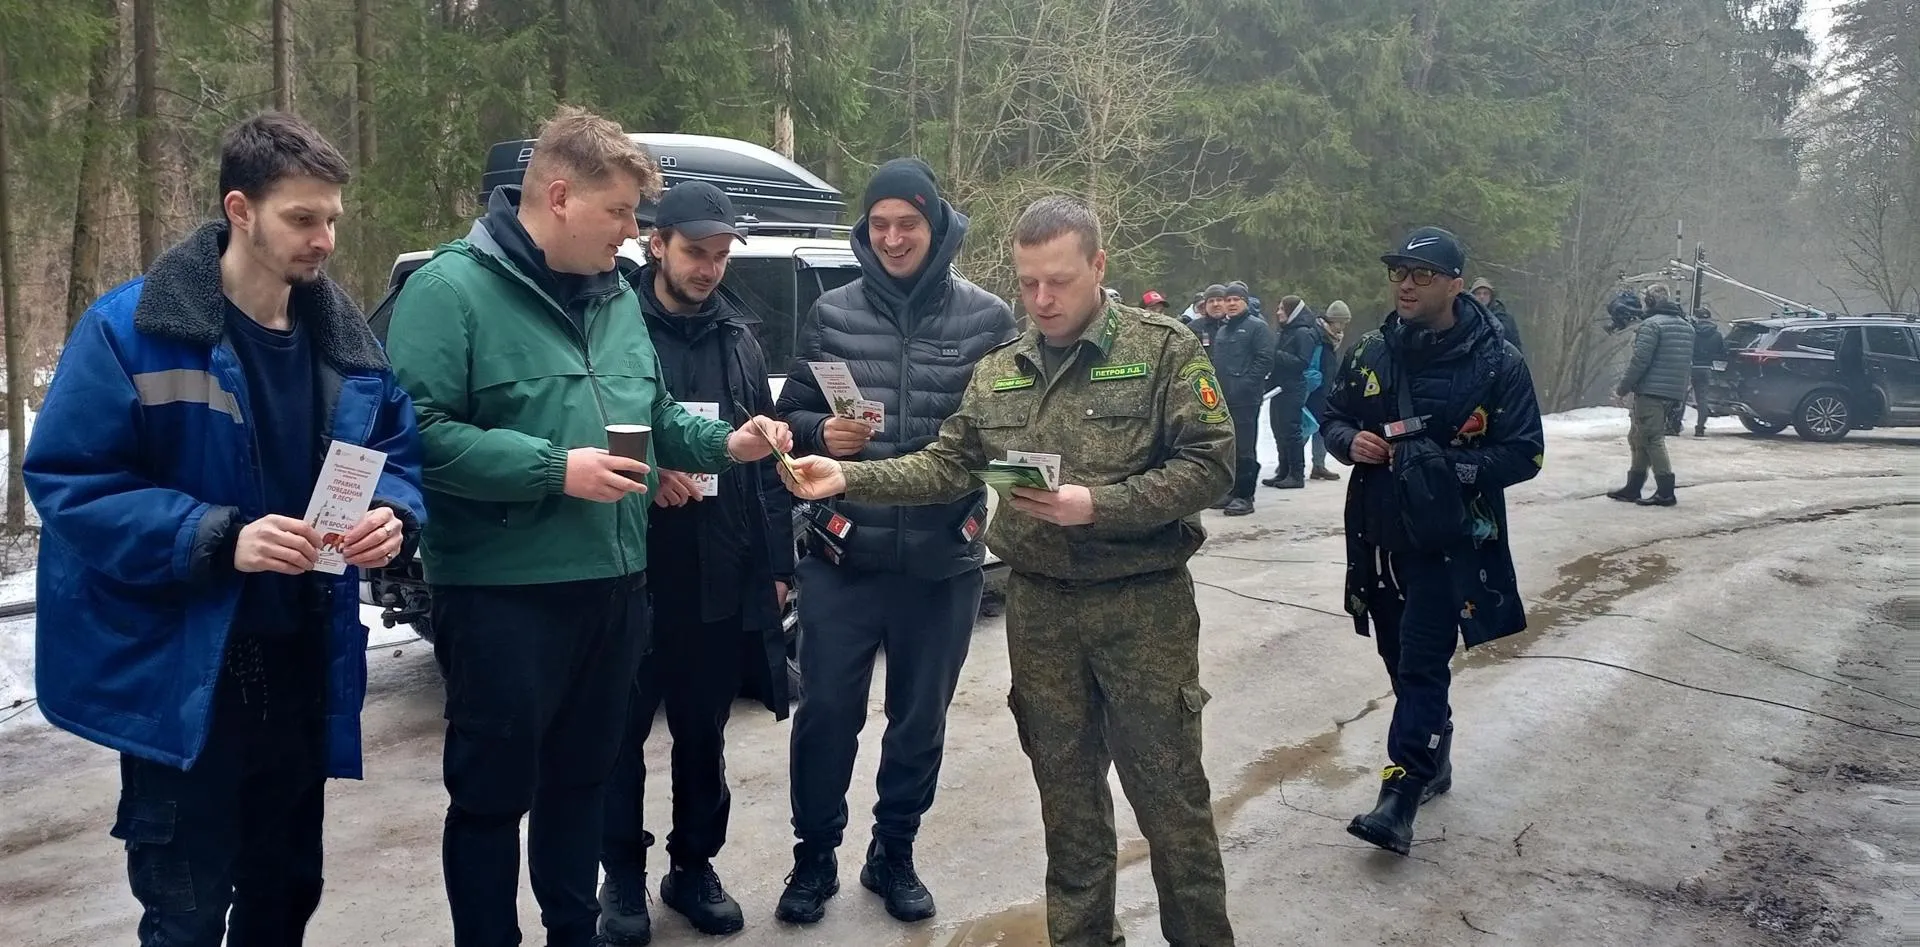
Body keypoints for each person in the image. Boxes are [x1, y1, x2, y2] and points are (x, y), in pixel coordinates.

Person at [384, 106, 792, 947]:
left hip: (615, 588)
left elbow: (657, 415)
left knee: (581, 784)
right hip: (503, 596)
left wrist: (732, 441)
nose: (633, 235)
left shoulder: (613, 300)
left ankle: (576, 931)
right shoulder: (448, 291)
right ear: (560, 196)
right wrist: (553, 468)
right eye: (620, 215)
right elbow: (415, 432)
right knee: (493, 797)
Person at [781, 195, 1238, 947]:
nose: (1041, 300)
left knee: (1171, 804)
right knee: (1068, 805)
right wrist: (846, 477)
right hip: (1042, 611)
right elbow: (946, 462)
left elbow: (1212, 464)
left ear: (1098, 265)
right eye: (1027, 283)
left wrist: (1101, 503)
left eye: (1057, 281)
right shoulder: (1001, 372)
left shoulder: (1165, 350)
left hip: (1141, 609)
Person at [23, 112, 427, 947]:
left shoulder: (344, 344)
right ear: (239, 210)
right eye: (302, 218)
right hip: (186, 675)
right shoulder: (130, 330)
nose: (325, 239)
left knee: (286, 896)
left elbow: (395, 449)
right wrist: (216, 535)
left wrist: (393, 514)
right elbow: (69, 480)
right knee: (187, 909)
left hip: (302, 659)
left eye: (333, 219)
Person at [772, 157, 1016, 926]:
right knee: (825, 717)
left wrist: (988, 512)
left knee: (919, 722)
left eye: (906, 223)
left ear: (935, 225)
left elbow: (1012, 433)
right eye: (879, 225)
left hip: (942, 564)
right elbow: (792, 421)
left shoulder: (989, 320)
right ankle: (814, 856)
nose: (892, 237)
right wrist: (820, 430)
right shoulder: (832, 314)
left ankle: (894, 851)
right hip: (844, 559)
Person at [593, 182, 797, 943]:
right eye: (694, 253)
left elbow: (759, 459)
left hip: (717, 568)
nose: (709, 269)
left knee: (703, 735)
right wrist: (646, 472)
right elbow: (589, 423)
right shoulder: (613, 326)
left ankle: (692, 865)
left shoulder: (737, 339)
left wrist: (778, 566)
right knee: (618, 735)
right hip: (629, 566)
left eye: (719, 256)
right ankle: (620, 876)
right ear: (656, 243)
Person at [1320, 226, 1544, 855]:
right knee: (1398, 660)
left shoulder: (1498, 360)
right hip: (1376, 536)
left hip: (1450, 542)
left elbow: (1525, 453)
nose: (1406, 284)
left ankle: (1401, 794)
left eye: (1420, 274)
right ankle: (1434, 746)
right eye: (1398, 273)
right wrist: (1347, 443)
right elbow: (1332, 414)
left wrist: (1447, 467)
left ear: (1453, 283)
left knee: (1422, 662)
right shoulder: (1370, 349)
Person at [1605, 283, 1693, 507]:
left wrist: (1622, 388)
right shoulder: (1686, 326)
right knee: (1638, 436)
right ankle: (1633, 487)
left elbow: (1640, 362)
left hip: (1651, 391)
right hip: (1672, 392)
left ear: (1651, 301)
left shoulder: (1652, 326)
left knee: (1652, 439)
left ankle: (1665, 492)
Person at [1195, 281, 1274, 515]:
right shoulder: (1224, 330)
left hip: (1245, 399)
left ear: (1245, 302)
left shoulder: (1256, 327)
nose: (1230, 303)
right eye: (1227, 299)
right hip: (1222, 398)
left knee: (1244, 447)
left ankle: (1244, 496)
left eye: (1235, 299)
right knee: (1228, 446)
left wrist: (1245, 385)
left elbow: (1265, 359)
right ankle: (1231, 490)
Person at [1264, 294, 1320, 489]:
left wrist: (1275, 355)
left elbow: (1301, 362)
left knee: (1291, 431)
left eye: (1282, 308)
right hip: (1279, 389)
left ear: (1292, 311)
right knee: (1278, 430)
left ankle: (1296, 474)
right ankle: (1283, 470)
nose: (1278, 312)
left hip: (1293, 388)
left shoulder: (1304, 333)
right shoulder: (1284, 331)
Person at [1305, 300, 1354, 481]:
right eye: (1340, 323)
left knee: (1320, 429)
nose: (1342, 327)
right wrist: (1312, 385)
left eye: (1345, 323)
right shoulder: (1319, 337)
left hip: (1325, 391)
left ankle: (1319, 465)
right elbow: (1312, 365)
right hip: (1313, 392)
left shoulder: (1331, 338)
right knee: (1304, 428)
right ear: (1332, 320)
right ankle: (1290, 466)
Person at [1688, 305, 1728, 438]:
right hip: (1706, 368)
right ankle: (1700, 428)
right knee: (1702, 399)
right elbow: (1722, 354)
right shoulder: (1716, 335)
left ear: (1696, 318)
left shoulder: (1691, 332)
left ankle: (1674, 425)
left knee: (1681, 398)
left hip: (1690, 367)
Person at [1469, 276, 1525, 355]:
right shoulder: (1467, 318)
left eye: (1485, 293)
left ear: (1491, 296)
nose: (1482, 297)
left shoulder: (1504, 319)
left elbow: (1514, 347)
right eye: (1478, 293)